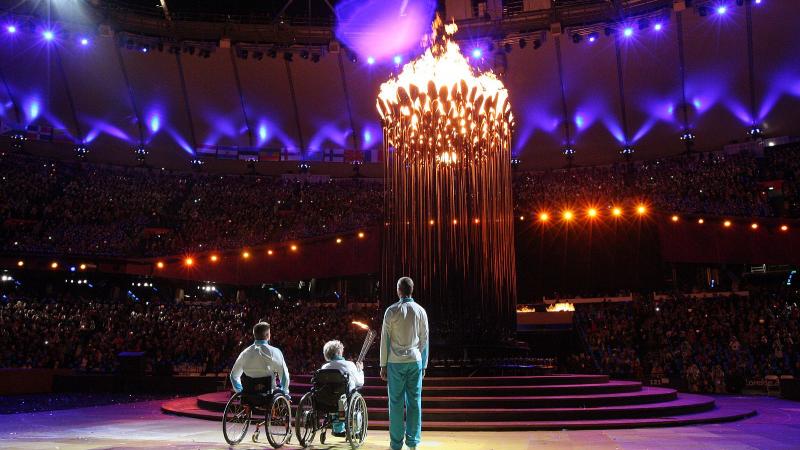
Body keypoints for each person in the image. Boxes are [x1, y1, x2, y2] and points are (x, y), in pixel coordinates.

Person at [379, 277, 429, 450]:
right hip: (415, 361)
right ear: (411, 290)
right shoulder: (420, 311)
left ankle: (396, 444)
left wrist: (383, 364)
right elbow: (425, 339)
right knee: (415, 402)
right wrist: (423, 364)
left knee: (396, 403)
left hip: (395, 362)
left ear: (398, 290)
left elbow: (385, 340)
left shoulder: (391, 311)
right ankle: (413, 443)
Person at [230, 322, 290, 395]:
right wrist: (285, 392)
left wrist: (240, 391)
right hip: (269, 395)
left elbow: (233, 376)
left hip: (249, 395)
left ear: (254, 335)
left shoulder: (244, 353)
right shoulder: (275, 352)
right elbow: (284, 375)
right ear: (267, 335)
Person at [320, 339, 365, 437]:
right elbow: (360, 382)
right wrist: (360, 370)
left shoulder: (324, 367)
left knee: (337, 399)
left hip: (326, 400)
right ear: (339, 352)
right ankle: (353, 429)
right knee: (349, 394)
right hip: (343, 400)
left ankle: (338, 428)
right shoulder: (349, 364)